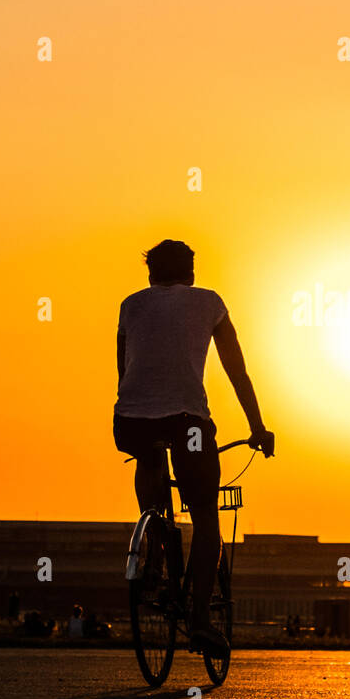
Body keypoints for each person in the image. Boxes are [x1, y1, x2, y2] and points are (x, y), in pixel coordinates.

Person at [113, 239, 275, 657]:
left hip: (129, 419)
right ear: (192, 274)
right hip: (188, 423)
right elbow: (236, 370)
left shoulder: (130, 305)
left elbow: (123, 370)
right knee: (205, 518)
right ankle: (200, 621)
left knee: (148, 457)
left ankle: (154, 546)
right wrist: (257, 427)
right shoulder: (210, 303)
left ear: (151, 275)